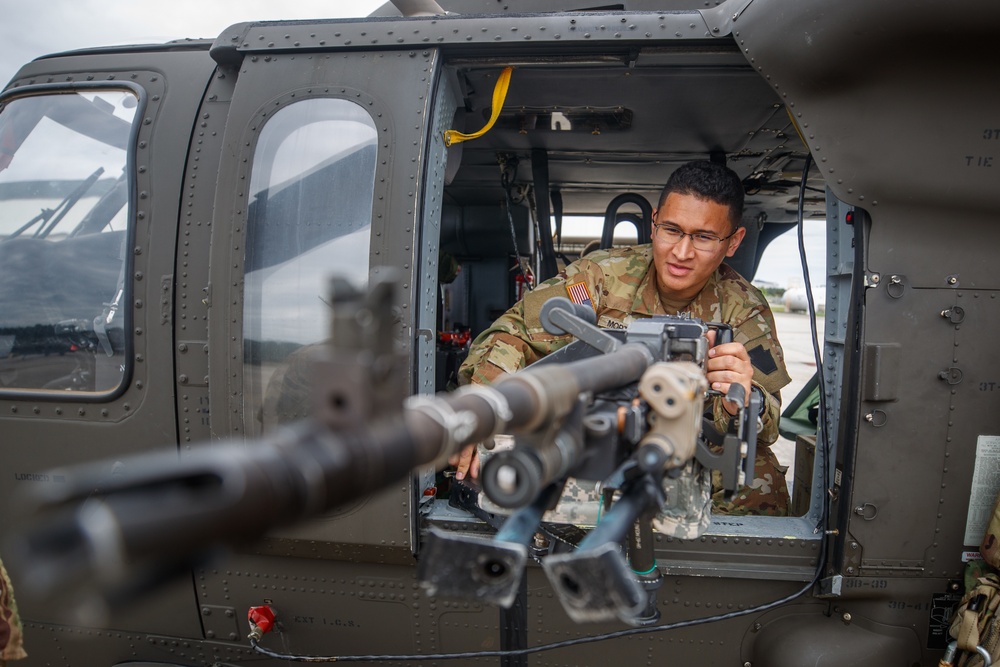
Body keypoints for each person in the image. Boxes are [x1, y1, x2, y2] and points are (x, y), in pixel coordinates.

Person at [452, 160, 792, 515]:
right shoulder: (600, 277)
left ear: (733, 241)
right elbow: (510, 335)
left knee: (760, 477)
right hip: (592, 427)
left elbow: (766, 428)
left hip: (683, 439)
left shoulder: (745, 309)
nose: (681, 252)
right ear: (654, 222)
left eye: (703, 237)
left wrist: (739, 401)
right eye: (672, 230)